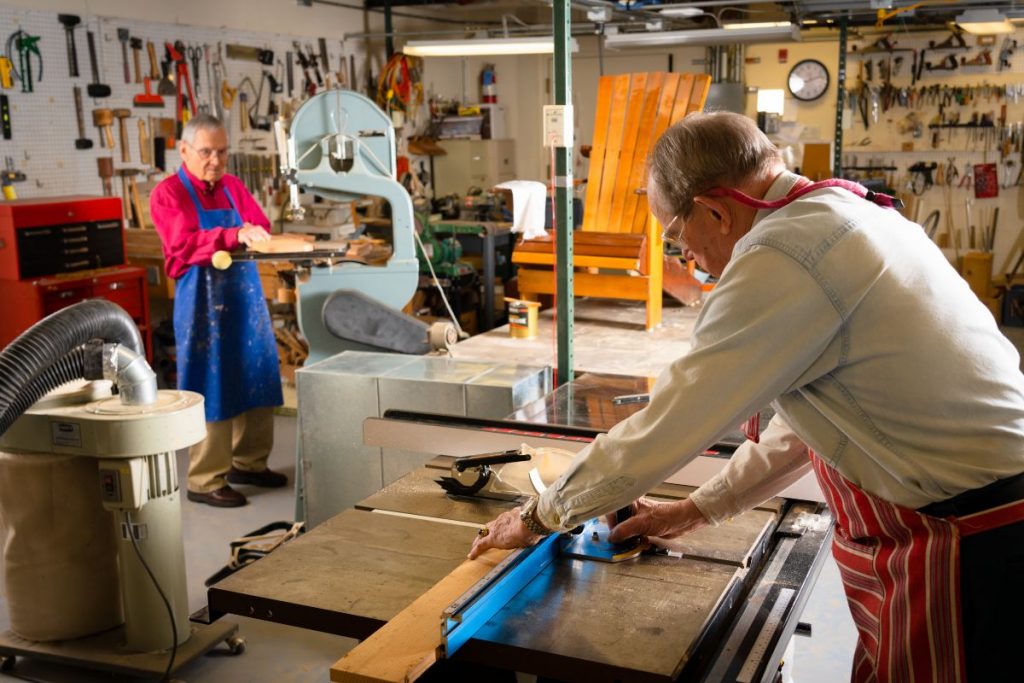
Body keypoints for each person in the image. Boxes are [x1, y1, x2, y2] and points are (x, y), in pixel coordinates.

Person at [469, 111, 1024, 682]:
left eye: (677, 237)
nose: (687, 259)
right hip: (975, 521)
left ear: (714, 209)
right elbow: (811, 426)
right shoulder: (840, 214)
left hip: (971, 543)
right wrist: (693, 510)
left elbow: (672, 422)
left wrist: (542, 514)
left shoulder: (784, 254)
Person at [150, 114, 286, 508]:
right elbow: (182, 245)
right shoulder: (169, 194)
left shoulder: (232, 187)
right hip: (201, 305)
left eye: (222, 152)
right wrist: (233, 233)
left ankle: (250, 462)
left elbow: (258, 225)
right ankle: (205, 479)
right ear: (185, 151)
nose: (215, 160)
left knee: (258, 374)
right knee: (210, 384)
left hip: (245, 300)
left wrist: (250, 233)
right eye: (207, 152)